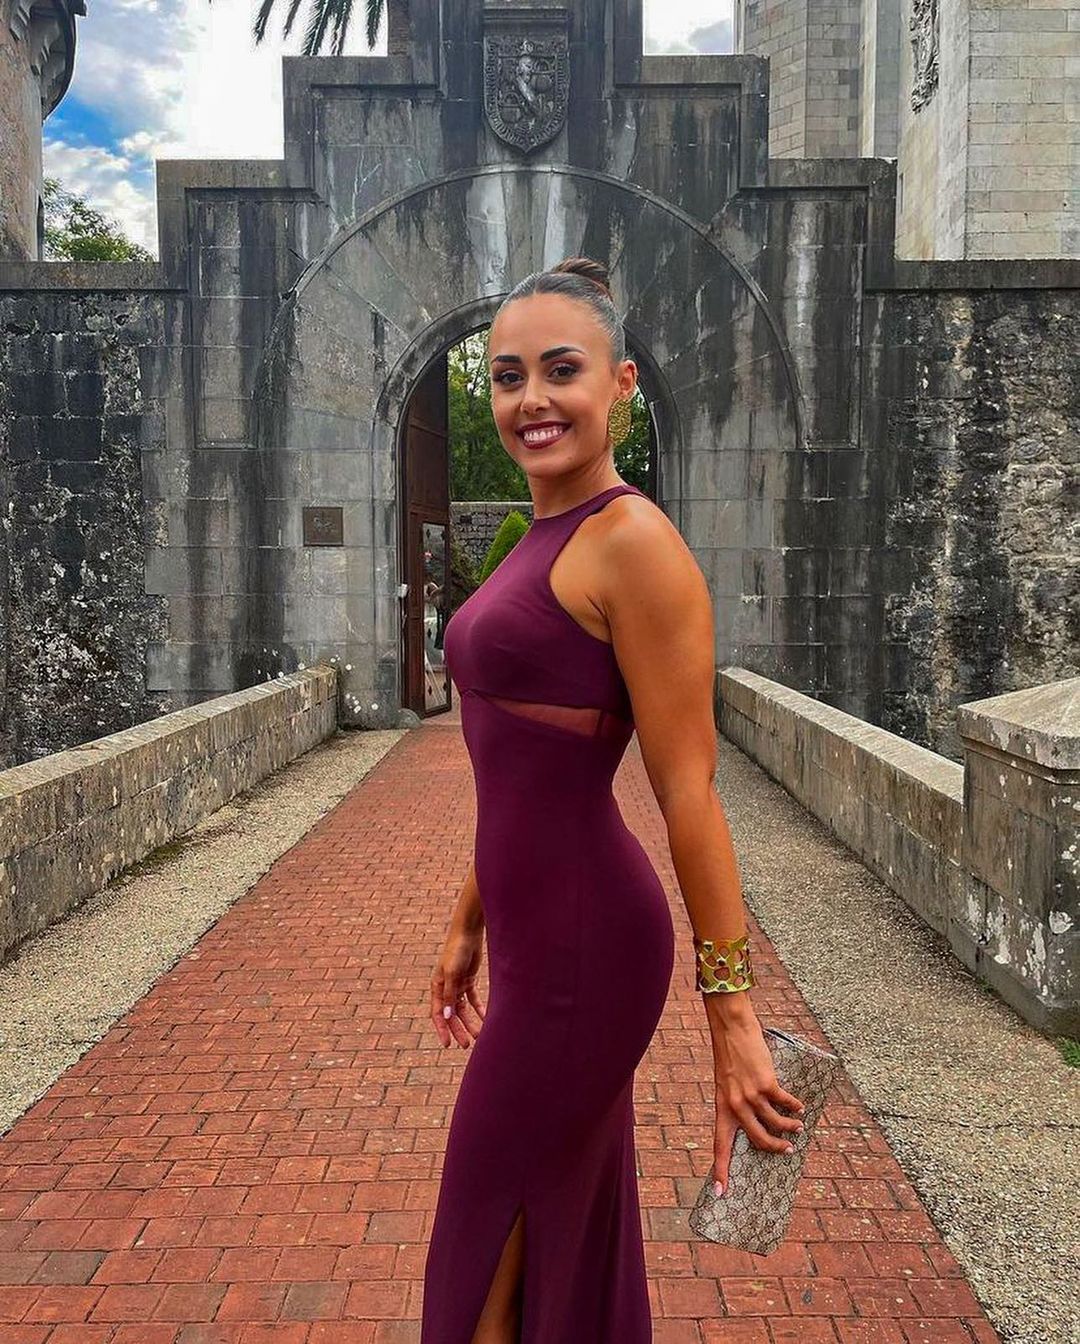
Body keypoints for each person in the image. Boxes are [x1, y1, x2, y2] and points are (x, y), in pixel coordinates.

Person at [421, 256, 806, 1343]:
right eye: (507, 377)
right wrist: (468, 922)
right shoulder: (538, 535)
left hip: (588, 954)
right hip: (534, 936)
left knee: (482, 1233)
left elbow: (688, 789)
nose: (531, 400)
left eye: (561, 370)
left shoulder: (633, 543)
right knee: (540, 1225)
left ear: (621, 383)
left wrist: (731, 1014)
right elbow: (520, 781)